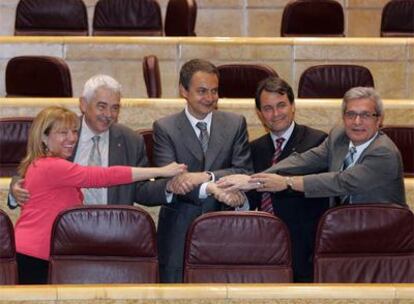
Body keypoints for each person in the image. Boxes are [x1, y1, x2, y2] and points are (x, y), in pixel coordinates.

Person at [14, 106, 186, 285]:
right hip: (35, 254)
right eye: (63, 133)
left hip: (40, 252)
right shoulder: (51, 166)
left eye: (74, 131)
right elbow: (104, 176)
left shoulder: (42, 164)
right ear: (43, 137)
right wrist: (161, 171)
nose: (72, 138)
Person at [218, 86, 406, 206]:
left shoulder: (383, 152)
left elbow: (340, 182)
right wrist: (254, 179)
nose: (357, 121)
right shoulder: (339, 136)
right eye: (350, 114)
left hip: (381, 236)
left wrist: (287, 183)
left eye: (366, 115)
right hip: (344, 228)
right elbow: (305, 160)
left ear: (379, 120)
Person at [153, 59, 253, 283]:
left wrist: (208, 176)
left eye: (214, 91)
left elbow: (243, 170)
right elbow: (172, 180)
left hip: (226, 229)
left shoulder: (235, 123)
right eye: (202, 91)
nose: (210, 98)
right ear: (183, 90)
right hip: (179, 233)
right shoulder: (164, 128)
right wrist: (212, 187)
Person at [9, 74, 164, 207]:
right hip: (64, 228)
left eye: (115, 108)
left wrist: (169, 187)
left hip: (113, 230)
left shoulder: (131, 141)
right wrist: (15, 188)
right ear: (83, 104)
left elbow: (141, 191)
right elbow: (27, 170)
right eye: (102, 107)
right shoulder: (60, 134)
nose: (108, 114)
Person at [248, 76, 329, 282]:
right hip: (263, 245)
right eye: (267, 108)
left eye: (281, 105)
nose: (275, 114)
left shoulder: (317, 141)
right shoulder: (254, 148)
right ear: (259, 114)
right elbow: (252, 196)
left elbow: (321, 189)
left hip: (305, 247)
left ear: (293, 106)